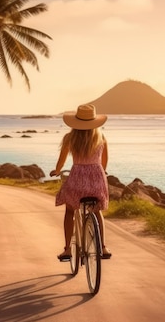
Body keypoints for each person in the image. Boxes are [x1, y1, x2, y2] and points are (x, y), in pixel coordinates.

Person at [51, 104, 112, 261]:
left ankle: (67, 250)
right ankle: (103, 247)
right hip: (97, 179)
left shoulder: (69, 138)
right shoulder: (101, 137)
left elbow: (62, 160)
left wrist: (57, 171)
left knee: (70, 211)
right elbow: (104, 161)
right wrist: (101, 173)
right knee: (96, 211)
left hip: (77, 178)